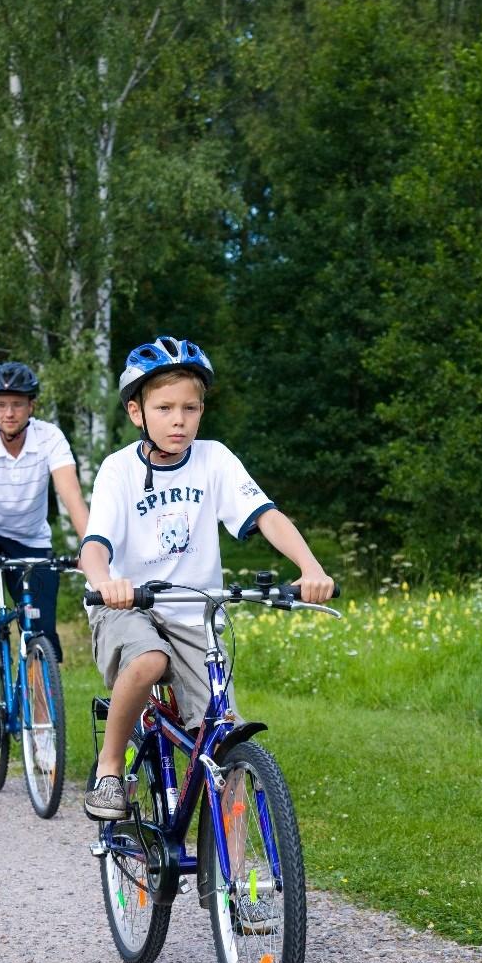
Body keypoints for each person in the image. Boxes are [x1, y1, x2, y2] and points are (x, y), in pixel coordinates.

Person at [80, 335, 336, 821]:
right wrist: (103, 581)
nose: (179, 420)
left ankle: (232, 882)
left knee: (225, 734)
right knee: (149, 660)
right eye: (165, 408)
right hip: (125, 605)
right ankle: (110, 769)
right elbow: (95, 545)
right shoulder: (118, 471)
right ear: (138, 413)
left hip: (196, 613)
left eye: (191, 408)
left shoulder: (215, 459)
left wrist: (311, 568)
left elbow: (266, 516)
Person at [0, 360, 90, 689]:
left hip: (30, 538)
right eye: (1, 405)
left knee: (43, 636)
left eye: (17, 404)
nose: (9, 412)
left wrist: (91, 548)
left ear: (31, 406)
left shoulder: (50, 437)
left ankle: (42, 734)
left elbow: (71, 496)